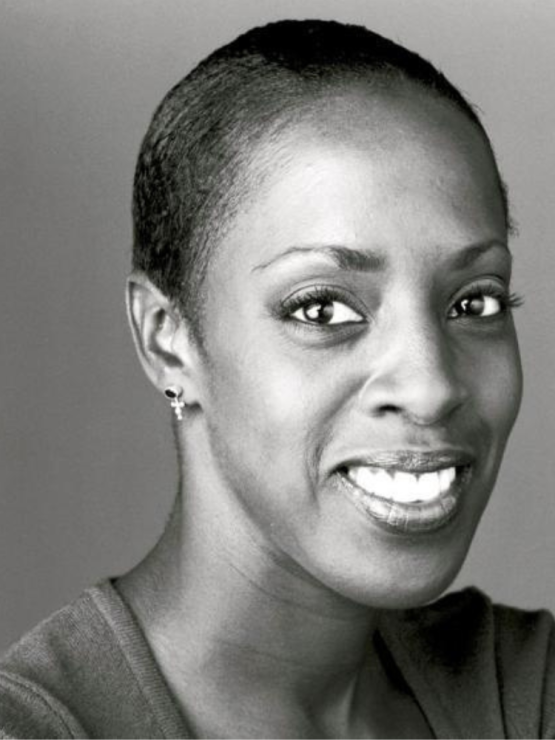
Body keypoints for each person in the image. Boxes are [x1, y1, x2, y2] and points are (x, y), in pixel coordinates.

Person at [0, 17, 553, 739]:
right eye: (321, 308)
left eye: (470, 302)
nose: (430, 387)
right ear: (168, 341)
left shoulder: (524, 688)